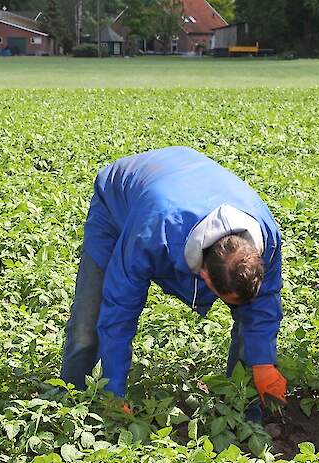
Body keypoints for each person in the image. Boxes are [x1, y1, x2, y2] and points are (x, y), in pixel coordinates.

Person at [61, 146, 288, 414]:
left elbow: (263, 307)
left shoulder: (265, 236)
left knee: (251, 320)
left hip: (184, 181)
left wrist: (262, 363)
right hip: (119, 200)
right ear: (203, 276)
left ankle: (244, 413)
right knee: (88, 326)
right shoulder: (153, 233)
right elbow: (119, 310)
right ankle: (75, 405)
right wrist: (113, 390)